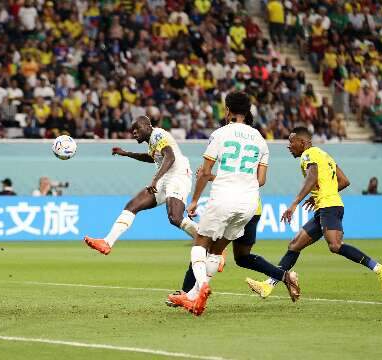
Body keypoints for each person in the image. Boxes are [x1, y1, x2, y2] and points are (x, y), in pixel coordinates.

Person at [169, 92, 299, 316]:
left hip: (224, 198)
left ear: (227, 110)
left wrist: (194, 201)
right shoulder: (260, 139)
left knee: (200, 244)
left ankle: (199, 290)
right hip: (248, 204)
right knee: (217, 250)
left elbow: (205, 172)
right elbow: (261, 180)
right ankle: (192, 296)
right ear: (248, 112)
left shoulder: (220, 134)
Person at [246, 127, 382, 298]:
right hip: (324, 207)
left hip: (329, 207)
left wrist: (294, 203)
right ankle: (268, 285)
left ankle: (380, 268)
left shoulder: (309, 155)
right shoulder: (324, 155)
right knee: (295, 245)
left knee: (335, 245)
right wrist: (319, 195)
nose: (289, 146)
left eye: (291, 142)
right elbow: (344, 181)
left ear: (302, 142)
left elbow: (312, 176)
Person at [83, 115, 198, 255]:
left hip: (178, 174)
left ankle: (209, 243)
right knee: (132, 206)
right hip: (166, 176)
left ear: (148, 126)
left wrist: (155, 179)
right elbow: (152, 157)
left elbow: (170, 156)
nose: (134, 132)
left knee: (175, 217)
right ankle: (107, 242)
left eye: (137, 128)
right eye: (132, 130)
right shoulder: (151, 141)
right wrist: (126, 154)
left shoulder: (158, 135)